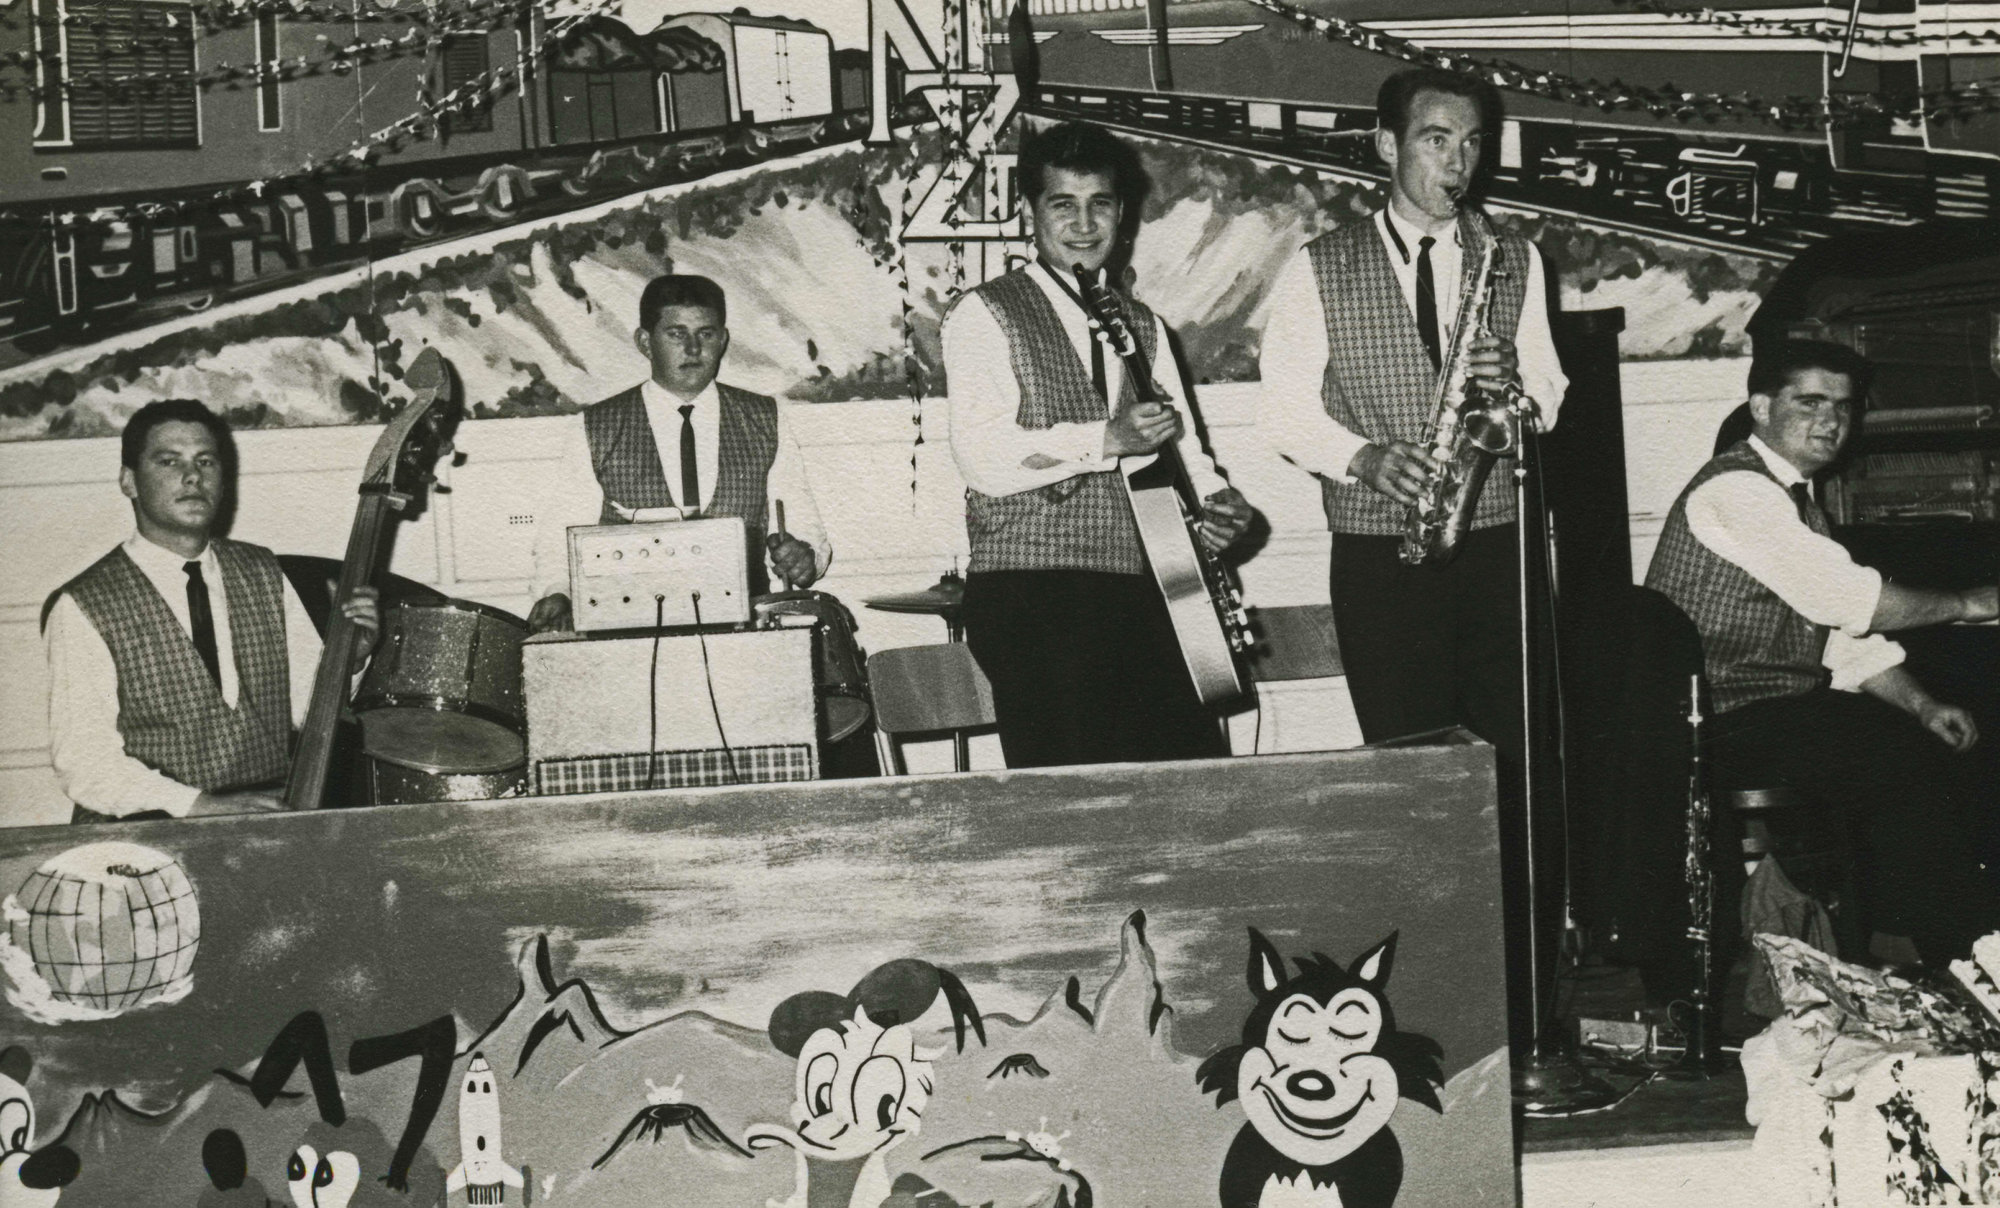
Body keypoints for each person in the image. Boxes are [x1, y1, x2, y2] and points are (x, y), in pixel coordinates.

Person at [1646, 338, 2000, 962]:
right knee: (1900, 759)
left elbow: (1837, 640)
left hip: (1764, 710)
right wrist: (1971, 602)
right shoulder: (1738, 491)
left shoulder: (1793, 501)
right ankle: (1940, 951)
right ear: (1761, 407)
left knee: (1940, 739)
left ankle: (1933, 944)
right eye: (1808, 402)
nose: (1830, 420)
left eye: (1843, 405)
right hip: (1716, 719)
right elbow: (1853, 602)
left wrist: (1920, 704)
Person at [1258, 67, 1568, 774]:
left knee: (1514, 759)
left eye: (1472, 143)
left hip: (1499, 547)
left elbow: (1549, 394)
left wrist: (1516, 383)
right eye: (1436, 140)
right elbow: (1282, 412)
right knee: (1410, 765)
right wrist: (1363, 459)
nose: (1458, 163)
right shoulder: (1319, 266)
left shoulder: (1513, 257)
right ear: (1386, 145)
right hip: (1381, 555)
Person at [942, 121, 1253, 768]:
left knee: (1186, 779)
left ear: (1122, 213)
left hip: (1144, 586)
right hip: (1031, 591)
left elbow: (1184, 450)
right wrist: (1107, 439)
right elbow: (982, 457)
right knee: (1072, 794)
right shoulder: (984, 312)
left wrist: (1218, 502)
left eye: (1100, 204)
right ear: (1029, 212)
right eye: (1063, 204)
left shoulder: (1144, 324)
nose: (1084, 224)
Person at [43, 399, 380, 821]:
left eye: (205, 461)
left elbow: (308, 713)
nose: (192, 476)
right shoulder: (83, 604)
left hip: (264, 819)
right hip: (146, 832)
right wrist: (198, 805)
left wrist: (349, 661)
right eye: (169, 461)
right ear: (129, 481)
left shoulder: (263, 572)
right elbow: (84, 762)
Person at [528, 274, 831, 632]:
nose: (693, 348)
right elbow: (558, 538)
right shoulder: (596, 427)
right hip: (630, 635)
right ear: (645, 342)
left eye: (706, 334)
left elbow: (804, 525)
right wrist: (558, 592)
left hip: (743, 634)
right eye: (676, 334)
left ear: (723, 340)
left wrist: (805, 557)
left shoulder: (766, 418)